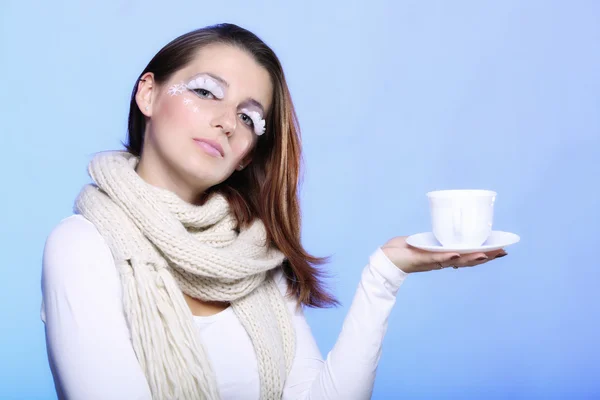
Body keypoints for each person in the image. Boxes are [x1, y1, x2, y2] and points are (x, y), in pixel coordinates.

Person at [40, 23, 507, 400]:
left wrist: (385, 274)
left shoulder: (256, 255)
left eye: (248, 117)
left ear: (246, 153)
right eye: (205, 92)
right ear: (148, 94)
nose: (226, 121)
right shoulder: (83, 246)